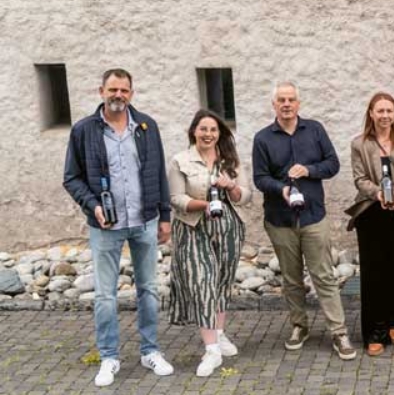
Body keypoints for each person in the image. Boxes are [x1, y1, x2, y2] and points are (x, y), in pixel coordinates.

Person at [62, 68, 175, 387]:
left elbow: (158, 172)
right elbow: (71, 178)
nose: (118, 95)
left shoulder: (146, 126)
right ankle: (109, 356)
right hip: (105, 226)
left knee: (148, 290)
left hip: (144, 221)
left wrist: (165, 216)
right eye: (113, 90)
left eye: (124, 90)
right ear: (101, 91)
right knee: (105, 295)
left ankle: (150, 351)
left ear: (131, 94)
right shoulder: (84, 130)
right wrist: (93, 205)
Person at [252, 81, 356, 360]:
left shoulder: (315, 130)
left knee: (324, 275)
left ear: (298, 103)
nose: (286, 104)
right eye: (281, 100)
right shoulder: (263, 139)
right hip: (280, 219)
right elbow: (259, 178)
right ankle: (299, 326)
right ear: (274, 105)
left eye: (291, 99)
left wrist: (309, 170)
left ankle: (339, 331)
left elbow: (333, 164)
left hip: (313, 216)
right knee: (291, 278)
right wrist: (280, 189)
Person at [167, 109, 252, 376]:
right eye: (203, 129)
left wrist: (231, 187)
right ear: (194, 131)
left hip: (228, 228)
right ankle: (212, 350)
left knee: (222, 282)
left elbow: (246, 196)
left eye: (213, 129)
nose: (208, 134)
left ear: (219, 133)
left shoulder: (231, 160)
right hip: (193, 228)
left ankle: (219, 333)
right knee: (202, 282)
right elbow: (175, 198)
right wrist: (203, 205)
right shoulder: (180, 160)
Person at [347, 92, 394, 357]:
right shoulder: (359, 144)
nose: (385, 116)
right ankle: (374, 332)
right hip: (371, 211)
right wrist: (378, 193)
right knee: (372, 271)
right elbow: (359, 179)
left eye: (389, 111)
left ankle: (393, 323)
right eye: (380, 111)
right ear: (371, 114)